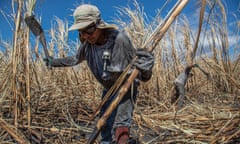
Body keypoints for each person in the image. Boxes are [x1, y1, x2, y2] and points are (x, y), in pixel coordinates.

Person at [44, 4, 154, 144]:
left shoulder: (119, 39)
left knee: (121, 122)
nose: (86, 36)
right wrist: (53, 62)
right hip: (108, 88)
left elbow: (142, 75)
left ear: (99, 25)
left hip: (125, 85)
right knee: (104, 121)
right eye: (81, 32)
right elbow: (74, 59)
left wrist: (146, 67)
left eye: (89, 30)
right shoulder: (87, 46)